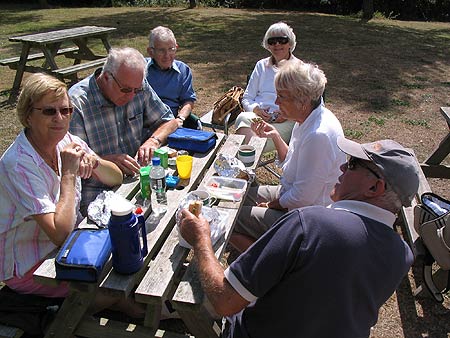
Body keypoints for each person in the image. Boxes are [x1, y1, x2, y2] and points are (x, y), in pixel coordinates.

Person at [179, 136, 419, 338]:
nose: (343, 168)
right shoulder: (403, 255)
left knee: (183, 293)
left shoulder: (310, 224)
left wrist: (201, 240)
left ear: (374, 188)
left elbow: (225, 301)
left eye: (353, 164)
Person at [0, 73, 141, 316]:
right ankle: (137, 311)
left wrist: (95, 162)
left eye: (66, 111)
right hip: (29, 264)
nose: (60, 118)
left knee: (128, 256)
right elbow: (60, 234)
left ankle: (134, 308)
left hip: (71, 246)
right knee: (114, 286)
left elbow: (116, 177)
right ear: (28, 116)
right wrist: (69, 173)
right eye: (49, 111)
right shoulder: (18, 164)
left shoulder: (65, 140)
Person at [231, 60, 345, 252]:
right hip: (291, 197)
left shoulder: (319, 134)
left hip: (307, 219)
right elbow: (291, 163)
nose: (276, 102)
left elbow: (302, 197)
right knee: (237, 195)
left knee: (231, 218)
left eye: (282, 97)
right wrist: (275, 135)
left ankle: (266, 266)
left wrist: (271, 205)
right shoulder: (306, 119)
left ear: (303, 100)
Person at [69, 47, 180, 213]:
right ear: (106, 77)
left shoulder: (136, 85)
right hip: (98, 195)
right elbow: (70, 163)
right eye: (126, 90)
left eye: (137, 90)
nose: (131, 97)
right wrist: (105, 161)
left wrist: (153, 141)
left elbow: (170, 122)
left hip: (139, 180)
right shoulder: (76, 102)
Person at [234, 21, 300, 152]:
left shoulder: (299, 69)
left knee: (245, 139)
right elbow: (247, 98)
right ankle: (251, 155)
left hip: (286, 122)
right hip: (259, 119)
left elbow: (307, 106)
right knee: (242, 118)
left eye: (282, 40)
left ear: (290, 43)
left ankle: (248, 159)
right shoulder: (261, 66)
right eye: (272, 41)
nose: (277, 44)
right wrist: (256, 110)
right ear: (267, 45)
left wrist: (287, 114)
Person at [146, 26, 200, 130]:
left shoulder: (183, 70)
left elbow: (188, 101)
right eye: (161, 50)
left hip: (171, 125)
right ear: (151, 52)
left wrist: (180, 118)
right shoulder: (141, 69)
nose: (167, 55)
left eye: (171, 49)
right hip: (144, 125)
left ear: (176, 48)